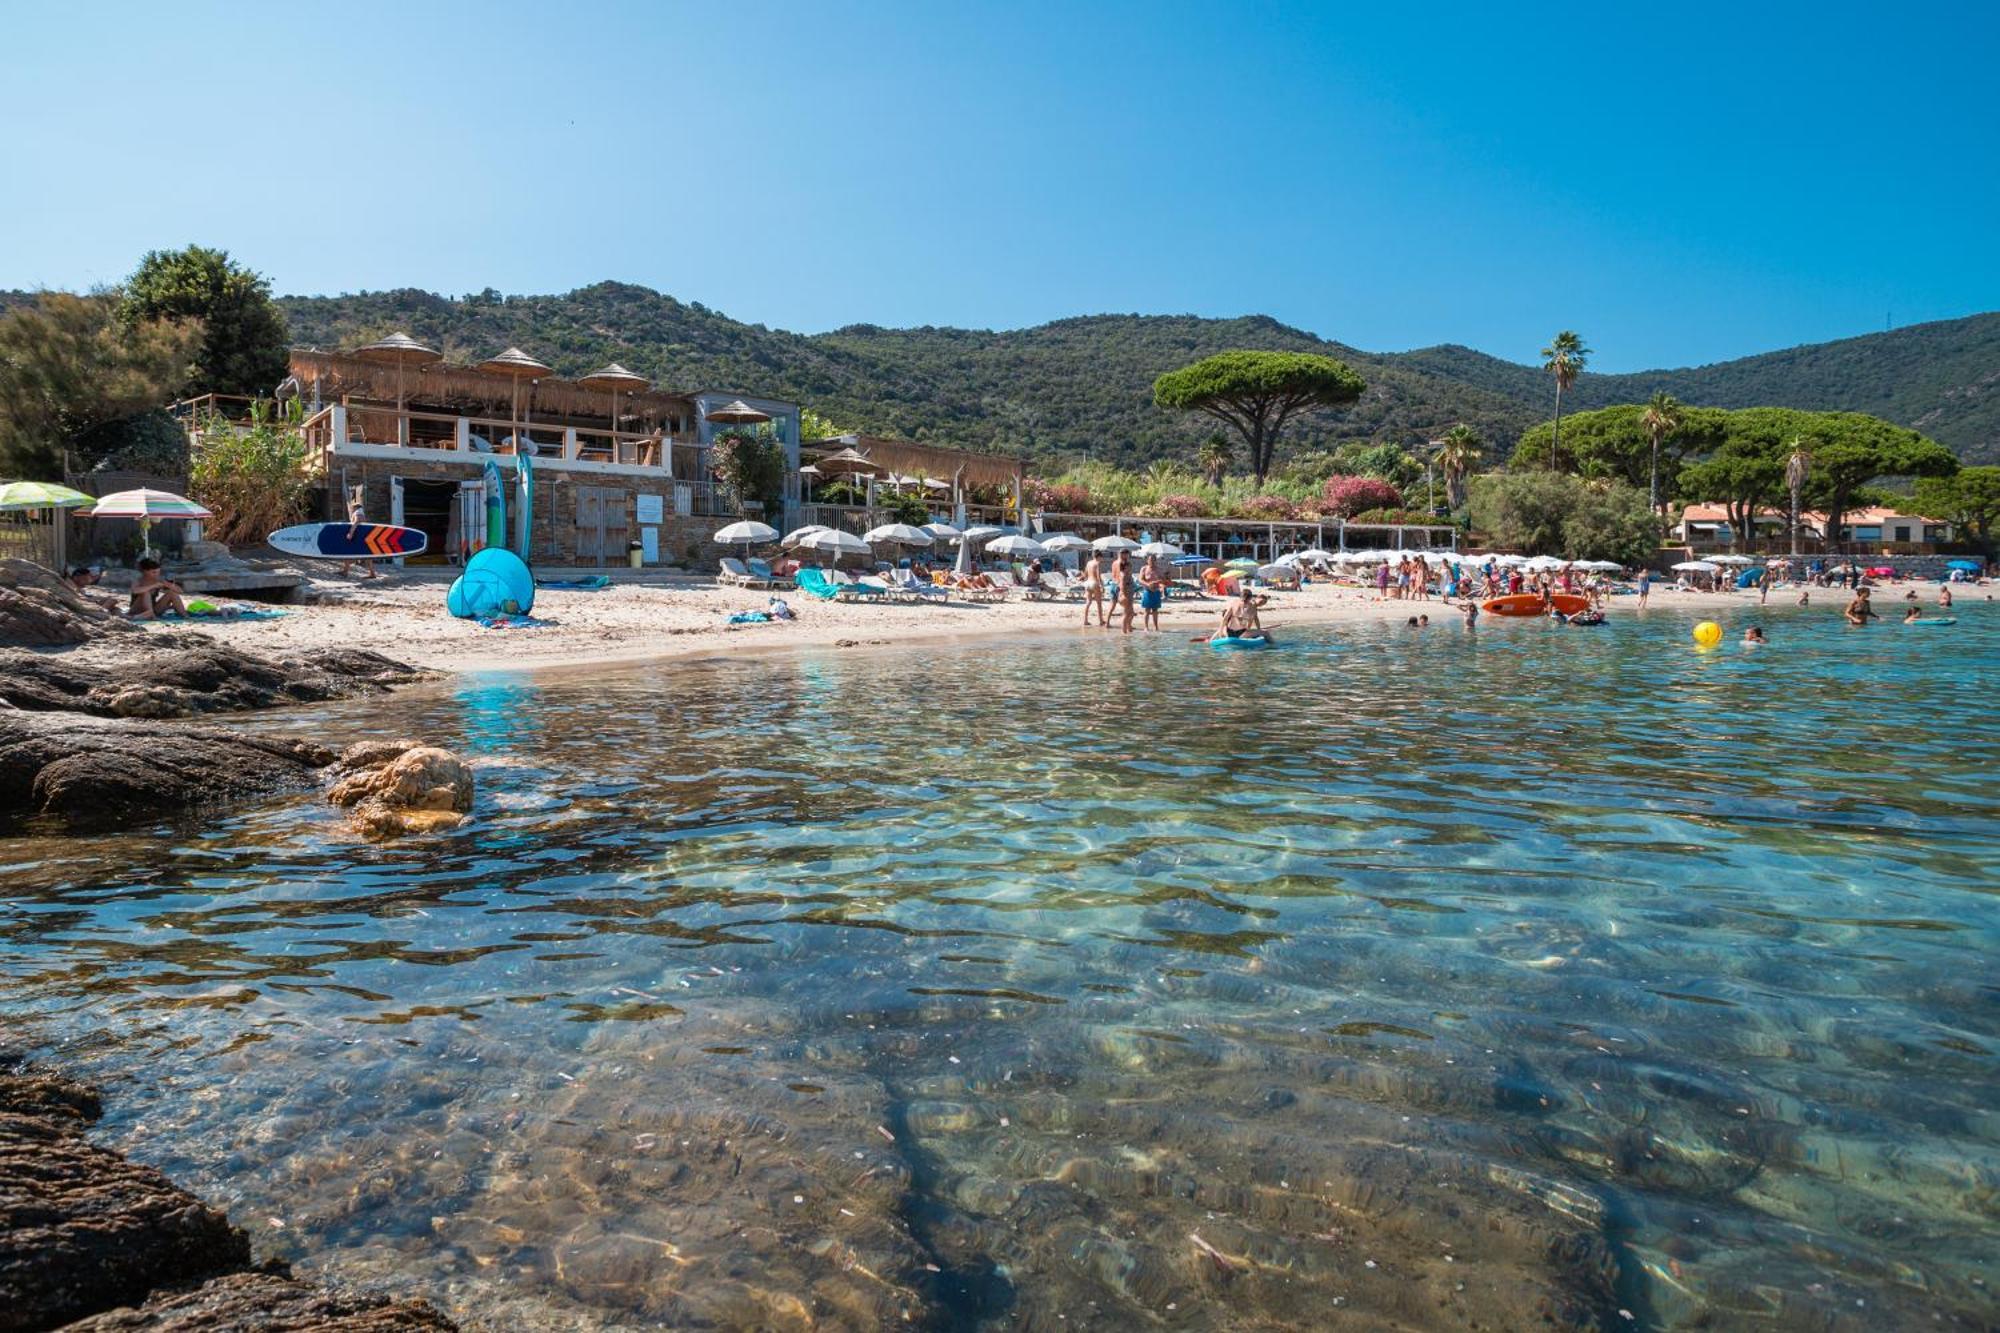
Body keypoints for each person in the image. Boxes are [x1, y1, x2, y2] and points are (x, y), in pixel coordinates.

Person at [336, 486, 379, 580]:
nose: (351, 508)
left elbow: (356, 522)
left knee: (349, 553)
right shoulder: (360, 512)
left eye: (352, 506)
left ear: (355, 506)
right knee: (367, 555)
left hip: (359, 537)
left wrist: (350, 533)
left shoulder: (358, 513)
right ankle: (372, 573)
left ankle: (345, 572)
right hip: (363, 537)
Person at [1137, 553, 1167, 632]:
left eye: (1154, 560)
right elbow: (1140, 579)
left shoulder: (1159, 569)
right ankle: (1146, 627)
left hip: (1156, 591)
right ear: (1147, 561)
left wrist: (1158, 582)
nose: (1152, 562)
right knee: (1147, 610)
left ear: (1156, 561)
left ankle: (1156, 626)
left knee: (1155, 610)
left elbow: (1164, 580)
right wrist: (1148, 584)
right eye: (1150, 560)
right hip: (1147, 591)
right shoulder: (1144, 569)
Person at [1113, 551, 1136, 634]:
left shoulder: (1128, 574)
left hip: (1129, 595)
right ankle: (1124, 631)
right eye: (1129, 567)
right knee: (1126, 614)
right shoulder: (1123, 575)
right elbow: (1121, 585)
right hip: (1125, 595)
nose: (1130, 568)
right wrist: (1124, 595)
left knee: (1131, 613)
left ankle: (1129, 628)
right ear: (1125, 567)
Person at [1082, 551, 1107, 628]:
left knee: (1088, 602)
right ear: (1099, 556)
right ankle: (1101, 621)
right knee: (1099, 603)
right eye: (1101, 557)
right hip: (1094, 582)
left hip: (1088, 582)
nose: (1101, 559)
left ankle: (1085, 620)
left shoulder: (1089, 563)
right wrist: (1102, 586)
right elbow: (1098, 576)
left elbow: (1085, 574)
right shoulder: (1097, 563)